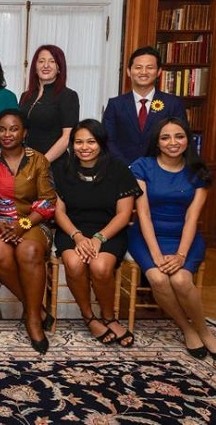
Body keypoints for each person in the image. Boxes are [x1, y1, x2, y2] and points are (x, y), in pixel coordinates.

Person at [128, 117, 216, 363]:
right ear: (157, 142)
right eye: (165, 137)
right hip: (146, 235)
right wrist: (156, 255)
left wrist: (181, 255)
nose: (173, 142)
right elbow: (143, 214)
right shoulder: (142, 166)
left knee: (182, 279)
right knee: (157, 277)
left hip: (184, 236)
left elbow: (192, 219)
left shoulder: (198, 172)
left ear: (188, 140)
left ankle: (204, 331)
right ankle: (186, 328)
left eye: (179, 136)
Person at [0, 109, 57, 353]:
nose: (7, 134)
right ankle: (36, 310)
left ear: (24, 132)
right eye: (2, 129)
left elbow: (48, 202)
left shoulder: (39, 160)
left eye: (14, 129)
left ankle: (32, 319)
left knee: (28, 251)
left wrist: (23, 226)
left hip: (31, 221)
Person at [53, 119, 140, 347]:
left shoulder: (118, 169)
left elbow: (124, 214)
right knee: (74, 263)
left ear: (101, 143)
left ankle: (109, 317)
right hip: (72, 229)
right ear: (72, 144)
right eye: (79, 142)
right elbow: (59, 212)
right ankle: (88, 316)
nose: (84, 147)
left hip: (109, 230)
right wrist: (77, 236)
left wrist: (99, 238)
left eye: (91, 142)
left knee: (100, 267)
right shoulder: (61, 169)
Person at [102, 46, 188, 165]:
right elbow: (108, 140)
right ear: (128, 71)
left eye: (150, 67)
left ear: (159, 72)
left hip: (161, 169)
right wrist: (128, 167)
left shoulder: (173, 104)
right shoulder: (115, 104)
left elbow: (180, 138)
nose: (143, 72)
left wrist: (157, 167)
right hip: (123, 170)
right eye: (138, 67)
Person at [19, 45, 79, 170]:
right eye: (41, 61)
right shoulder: (25, 96)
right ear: (35, 67)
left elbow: (66, 137)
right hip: (25, 163)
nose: (46, 65)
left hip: (53, 165)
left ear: (59, 68)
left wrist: (42, 162)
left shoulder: (68, 96)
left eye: (52, 61)